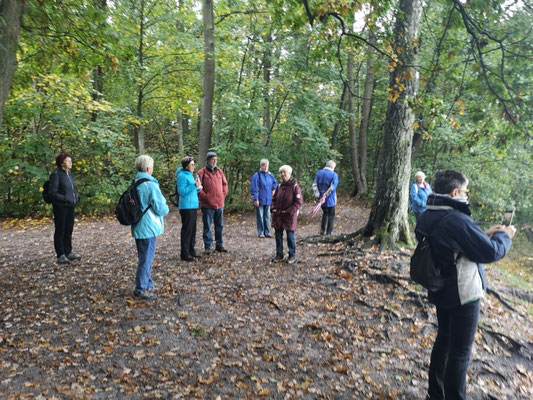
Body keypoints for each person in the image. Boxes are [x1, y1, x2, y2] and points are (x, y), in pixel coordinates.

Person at [416, 170, 515, 400]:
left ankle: (435, 393)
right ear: (454, 193)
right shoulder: (456, 219)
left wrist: (483, 234)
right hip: (463, 293)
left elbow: (452, 244)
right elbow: (491, 252)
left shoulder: (429, 213)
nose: (466, 196)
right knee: (460, 353)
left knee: (444, 341)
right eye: (465, 191)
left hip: (440, 288)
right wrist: (505, 236)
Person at [131, 155, 169, 301]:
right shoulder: (150, 185)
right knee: (146, 258)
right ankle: (141, 289)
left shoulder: (136, 182)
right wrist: (167, 208)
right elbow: (160, 208)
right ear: (148, 168)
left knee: (144, 256)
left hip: (139, 225)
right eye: (152, 166)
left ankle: (147, 283)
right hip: (148, 226)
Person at [48, 152, 81, 264]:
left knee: (68, 229)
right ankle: (60, 254)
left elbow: (72, 190)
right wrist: (65, 199)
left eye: (70, 160)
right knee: (60, 230)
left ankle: (68, 252)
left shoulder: (70, 175)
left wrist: (76, 197)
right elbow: (52, 193)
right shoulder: (56, 175)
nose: (70, 162)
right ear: (61, 163)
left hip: (70, 206)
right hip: (60, 207)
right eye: (68, 161)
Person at [198, 151, 228, 254]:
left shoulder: (219, 171)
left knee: (219, 226)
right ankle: (208, 246)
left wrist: (223, 194)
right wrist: (205, 197)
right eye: (212, 160)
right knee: (207, 226)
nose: (214, 161)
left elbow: (225, 184)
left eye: (216, 159)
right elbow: (198, 188)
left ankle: (219, 245)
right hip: (207, 205)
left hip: (219, 204)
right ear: (207, 161)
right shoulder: (201, 173)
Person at [271, 165, 303, 264]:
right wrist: (273, 208)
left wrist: (289, 211)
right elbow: (273, 199)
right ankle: (279, 254)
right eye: (281, 172)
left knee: (290, 236)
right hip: (278, 216)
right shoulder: (279, 186)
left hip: (289, 216)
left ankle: (292, 255)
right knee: (278, 235)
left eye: (284, 172)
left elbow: (298, 202)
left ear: (289, 173)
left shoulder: (295, 186)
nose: (282, 174)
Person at [176, 156, 202, 261]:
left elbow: (191, 190)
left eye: (194, 164)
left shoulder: (190, 175)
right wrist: (194, 186)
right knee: (187, 230)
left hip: (193, 205)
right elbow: (181, 192)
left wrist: (198, 188)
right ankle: (185, 253)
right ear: (186, 166)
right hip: (186, 206)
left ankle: (191, 251)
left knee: (193, 230)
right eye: (192, 164)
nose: (193, 166)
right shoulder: (182, 176)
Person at [250, 159, 278, 238]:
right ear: (261, 166)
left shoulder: (270, 175)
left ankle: (267, 232)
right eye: (264, 166)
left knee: (267, 217)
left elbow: (275, 182)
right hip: (259, 199)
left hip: (268, 199)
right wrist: (256, 199)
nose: (266, 167)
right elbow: (254, 188)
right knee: (260, 217)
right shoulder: (257, 175)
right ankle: (261, 232)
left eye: (267, 166)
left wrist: (273, 189)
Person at [312, 160, 339, 235]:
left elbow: (314, 185)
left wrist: (318, 195)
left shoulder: (319, 173)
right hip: (330, 199)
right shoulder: (334, 174)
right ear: (332, 166)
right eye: (334, 167)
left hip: (320, 198)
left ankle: (322, 230)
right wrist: (325, 195)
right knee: (331, 215)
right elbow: (332, 187)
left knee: (325, 213)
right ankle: (328, 233)